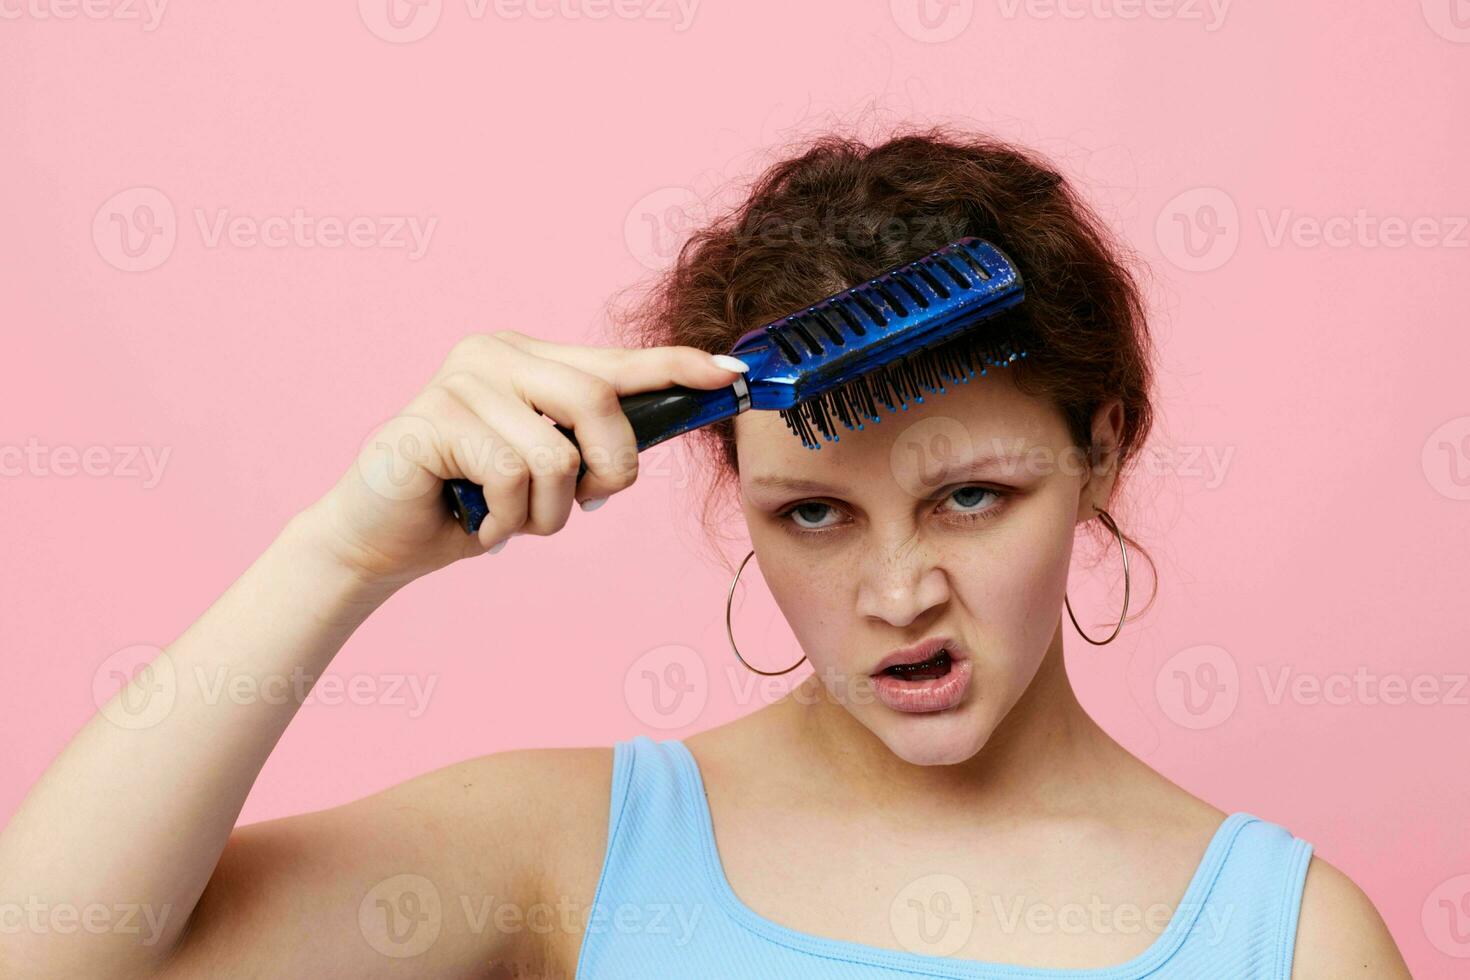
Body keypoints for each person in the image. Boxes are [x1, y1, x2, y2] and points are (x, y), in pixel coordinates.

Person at [0, 129, 1411, 979]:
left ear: (1100, 449)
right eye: (813, 514)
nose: (897, 593)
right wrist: (340, 554)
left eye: (972, 497)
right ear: (732, 489)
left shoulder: (1283, 940)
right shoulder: (572, 852)